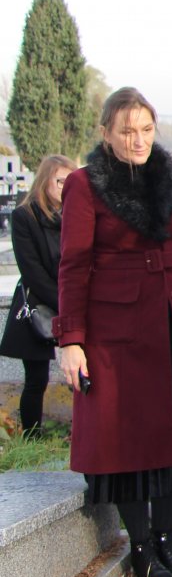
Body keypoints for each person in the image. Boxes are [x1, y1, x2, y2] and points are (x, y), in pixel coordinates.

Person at [55, 87, 172, 577]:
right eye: (128, 130)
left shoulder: (170, 171)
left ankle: (166, 539)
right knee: (129, 442)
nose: (138, 140)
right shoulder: (86, 185)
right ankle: (140, 549)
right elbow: (73, 265)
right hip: (118, 330)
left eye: (146, 129)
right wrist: (71, 339)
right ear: (107, 133)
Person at [0, 155, 77, 436]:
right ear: (45, 181)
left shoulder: (75, 214)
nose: (65, 187)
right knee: (36, 379)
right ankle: (32, 438)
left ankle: (82, 433)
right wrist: (65, 305)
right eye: (60, 181)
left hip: (72, 302)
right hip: (38, 305)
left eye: (71, 182)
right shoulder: (25, 216)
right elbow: (32, 270)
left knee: (82, 373)